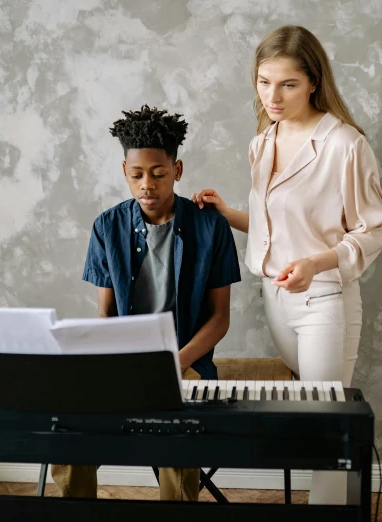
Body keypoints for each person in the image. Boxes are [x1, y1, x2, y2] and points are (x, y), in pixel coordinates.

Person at [191, 25, 382, 505]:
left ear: (314, 83)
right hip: (276, 299)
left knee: (327, 423)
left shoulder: (345, 145)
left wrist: (315, 263)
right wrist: (226, 214)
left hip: (323, 297)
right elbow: (273, 228)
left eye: (288, 84)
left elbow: (374, 229)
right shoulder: (263, 142)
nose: (272, 96)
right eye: (264, 82)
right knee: (324, 416)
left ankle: (331, 512)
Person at [51, 104, 242, 501]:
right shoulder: (107, 227)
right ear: (124, 172)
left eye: (158, 174)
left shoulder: (210, 227)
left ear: (178, 169)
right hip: (121, 363)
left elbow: (220, 318)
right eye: (136, 176)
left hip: (185, 362)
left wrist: (178, 362)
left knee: (176, 431)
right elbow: (105, 313)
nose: (147, 186)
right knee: (67, 429)